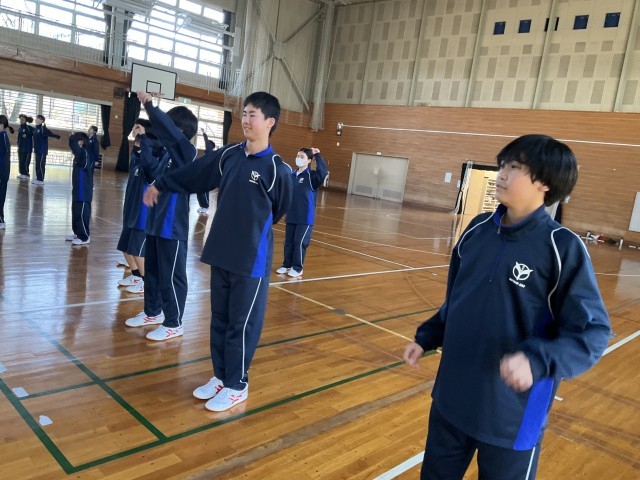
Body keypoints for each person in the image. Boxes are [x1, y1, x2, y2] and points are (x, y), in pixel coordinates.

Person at [403, 134, 611, 480]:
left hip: (512, 417)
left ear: (545, 182)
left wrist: (536, 361)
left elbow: (593, 332)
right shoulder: (476, 230)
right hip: (452, 399)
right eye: (503, 165)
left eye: (515, 167)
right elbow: (458, 300)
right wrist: (427, 336)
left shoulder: (562, 248)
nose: (501, 173)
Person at [143, 91, 293, 412]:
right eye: (244, 113)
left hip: (250, 261)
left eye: (253, 115)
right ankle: (222, 376)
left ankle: (237, 384)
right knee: (220, 320)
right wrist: (162, 183)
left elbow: (279, 210)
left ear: (270, 122)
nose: (246, 120)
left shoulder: (277, 169)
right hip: (221, 252)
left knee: (241, 324)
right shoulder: (229, 155)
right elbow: (195, 174)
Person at [124, 91, 198, 342]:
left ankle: (174, 323)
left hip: (172, 227)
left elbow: (169, 132)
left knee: (172, 276)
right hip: (155, 223)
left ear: (179, 130)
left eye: (169, 125)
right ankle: (152, 312)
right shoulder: (167, 154)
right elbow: (149, 172)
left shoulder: (186, 152)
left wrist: (150, 106)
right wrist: (143, 142)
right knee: (154, 274)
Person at [276, 147, 327, 278]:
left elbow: (323, 172)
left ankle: (297, 268)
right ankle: (287, 265)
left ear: (309, 160)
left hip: (305, 217)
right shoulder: (292, 175)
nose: (298, 158)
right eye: (298, 156)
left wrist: (318, 156)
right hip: (291, 215)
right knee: (288, 242)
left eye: (302, 157)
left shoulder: (312, 176)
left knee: (300, 242)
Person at [116, 120, 152, 294]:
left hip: (143, 213)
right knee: (125, 246)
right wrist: (138, 142)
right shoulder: (137, 154)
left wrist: (143, 137)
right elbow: (138, 152)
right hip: (131, 209)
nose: (133, 130)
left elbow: (150, 163)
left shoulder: (151, 156)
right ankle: (137, 276)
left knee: (138, 250)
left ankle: (147, 283)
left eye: (137, 127)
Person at [67, 132, 94, 245]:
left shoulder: (83, 153)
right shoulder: (78, 155)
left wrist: (71, 139)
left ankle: (84, 237)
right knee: (76, 213)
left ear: (81, 142)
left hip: (83, 192)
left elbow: (75, 148)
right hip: (77, 190)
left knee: (82, 214)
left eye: (76, 140)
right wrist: (72, 139)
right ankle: (77, 233)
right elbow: (74, 149)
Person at [32, 114, 61, 185]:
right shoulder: (35, 129)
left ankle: (41, 179)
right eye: (36, 118)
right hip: (37, 150)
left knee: (41, 165)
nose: (36, 119)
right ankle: (38, 178)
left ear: (42, 121)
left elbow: (51, 134)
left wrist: (57, 136)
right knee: (37, 164)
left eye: (38, 118)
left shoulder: (43, 129)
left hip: (42, 150)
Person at [0, 115, 15, 230]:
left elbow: (5, 156)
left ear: (1, 125)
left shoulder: (3, 137)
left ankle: (1, 219)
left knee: (1, 195)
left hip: (2, 172)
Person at [196, 129, 215, 214]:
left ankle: (206, 206)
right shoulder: (205, 153)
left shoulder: (210, 152)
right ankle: (202, 205)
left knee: (203, 192)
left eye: (208, 144)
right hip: (201, 175)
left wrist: (204, 133)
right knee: (199, 191)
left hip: (206, 176)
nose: (206, 145)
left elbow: (206, 141)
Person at [17, 114, 35, 180]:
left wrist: (27, 135)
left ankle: (26, 174)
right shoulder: (20, 128)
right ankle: (22, 173)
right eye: (20, 119)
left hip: (27, 148)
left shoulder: (28, 127)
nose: (21, 121)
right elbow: (19, 138)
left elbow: (34, 132)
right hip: (21, 147)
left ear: (26, 120)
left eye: (22, 120)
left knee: (25, 161)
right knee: (21, 160)